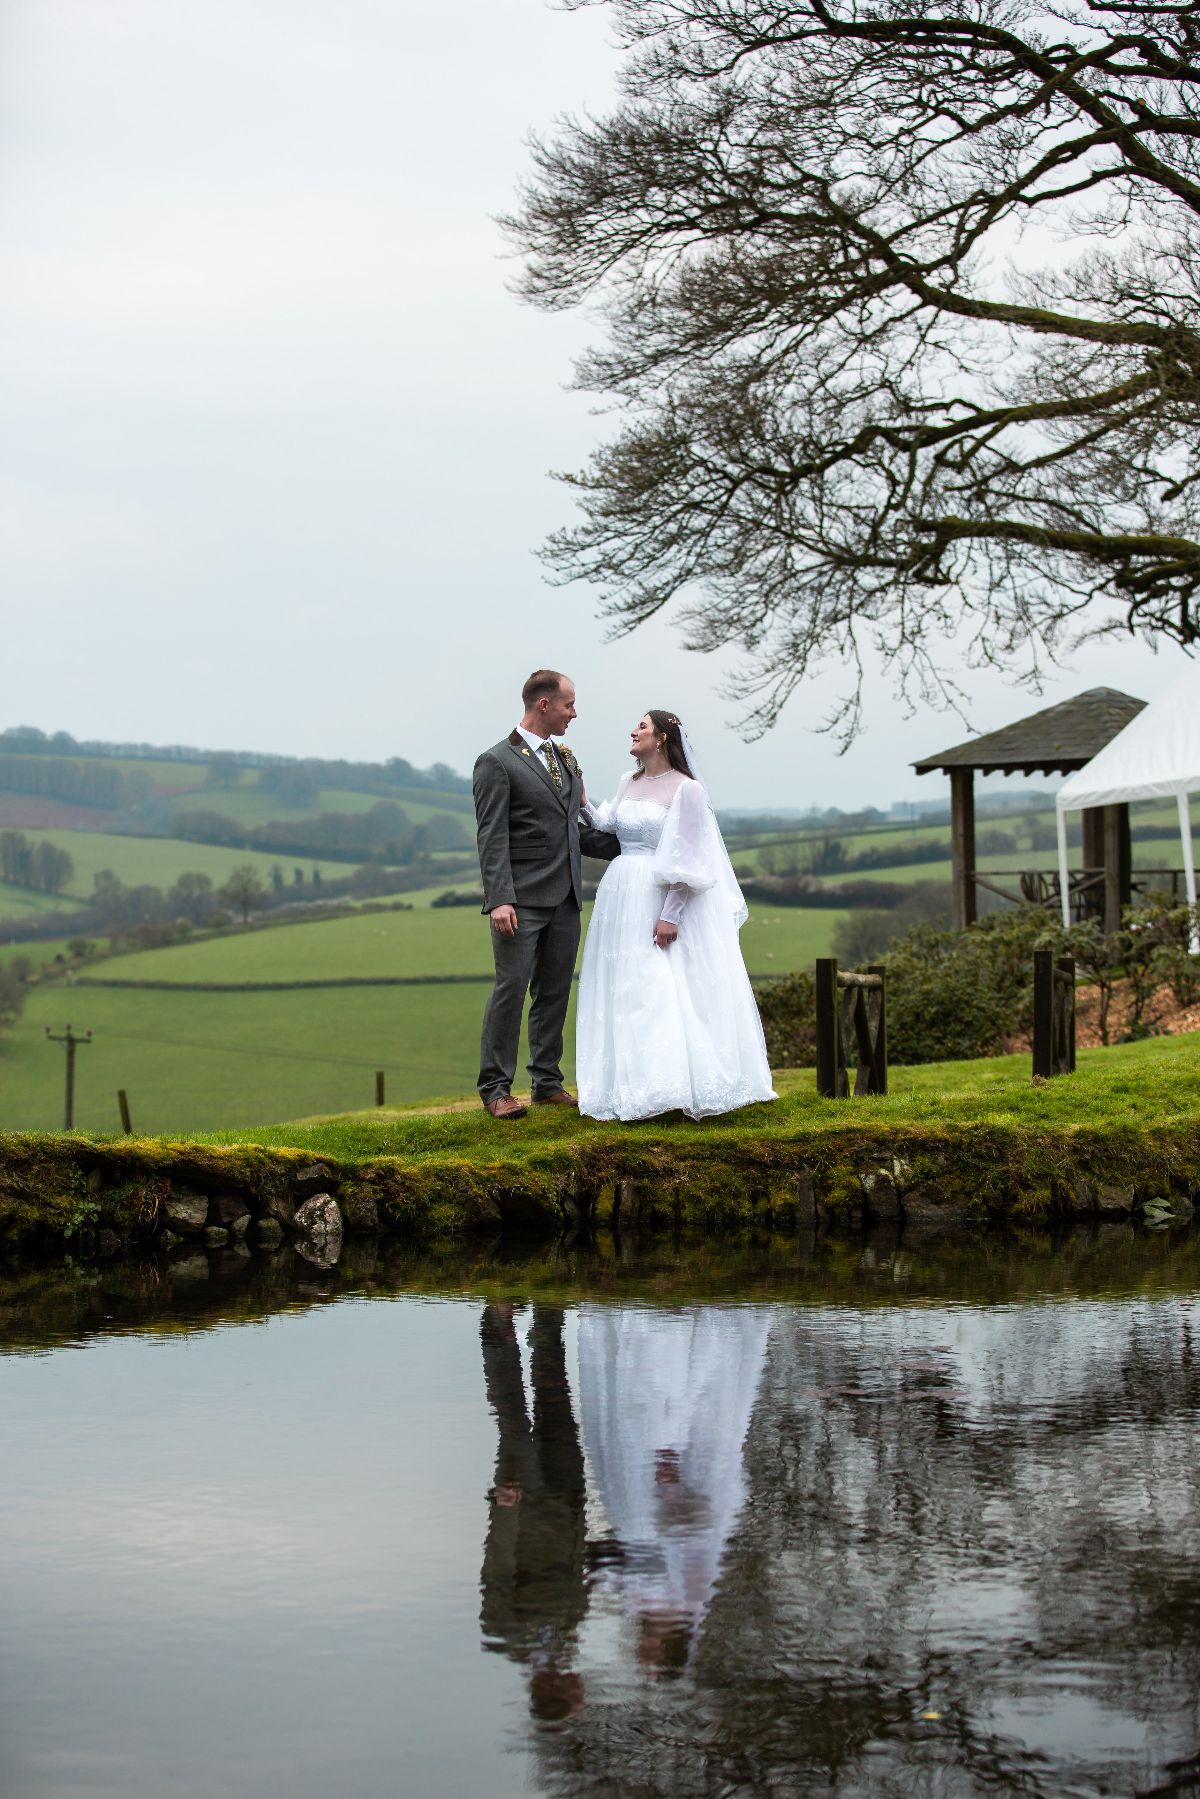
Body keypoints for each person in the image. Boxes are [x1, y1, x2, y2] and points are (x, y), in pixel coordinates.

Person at [577, 710, 776, 1121]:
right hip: (621, 893)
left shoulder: (688, 790)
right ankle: (631, 1085)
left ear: (662, 737)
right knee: (627, 984)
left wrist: (671, 915)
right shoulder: (626, 781)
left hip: (657, 892)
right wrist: (579, 798)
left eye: (642, 726)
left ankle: (670, 1086)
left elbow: (689, 855)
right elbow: (606, 824)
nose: (633, 731)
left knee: (659, 984)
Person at [474, 669, 619, 1119]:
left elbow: (573, 828)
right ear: (543, 704)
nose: (573, 713)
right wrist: (500, 897)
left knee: (554, 991)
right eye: (568, 705)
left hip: (566, 898)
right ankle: (496, 1090)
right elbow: (491, 835)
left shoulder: (567, 759)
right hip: (519, 901)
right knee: (512, 989)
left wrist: (634, 848)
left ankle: (546, 1082)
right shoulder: (496, 762)